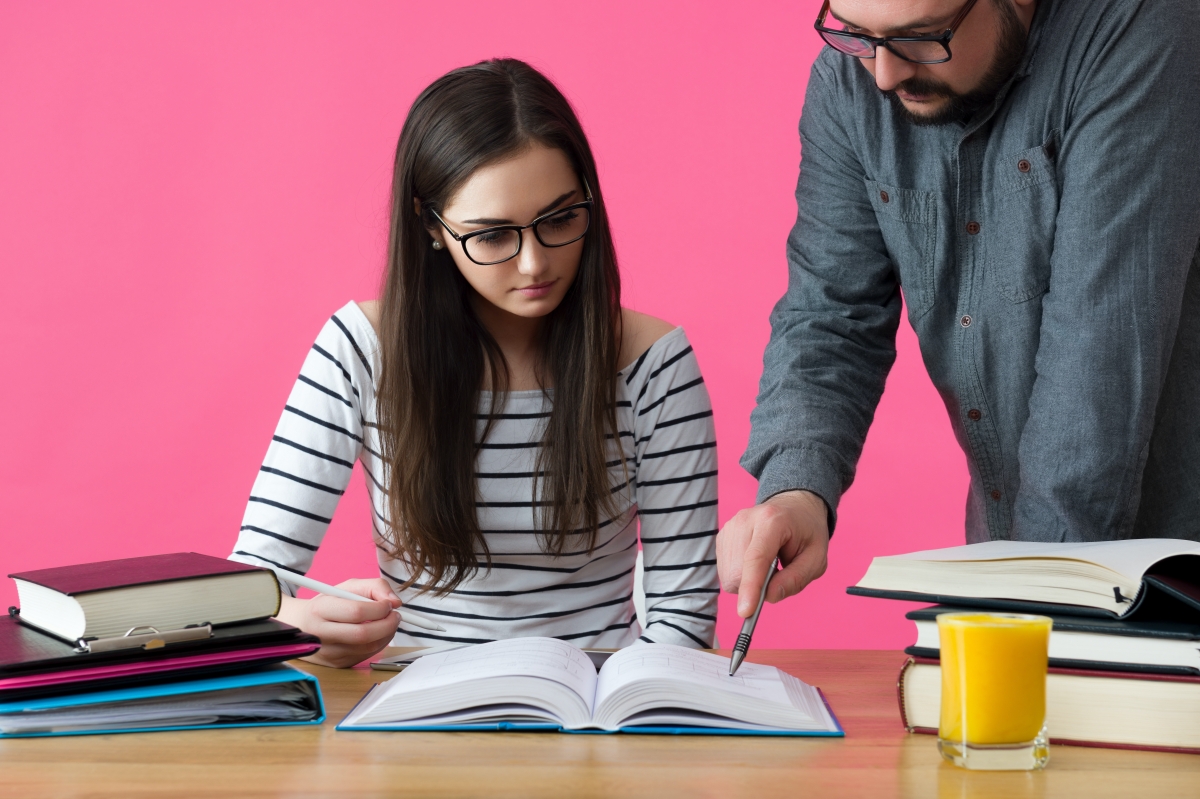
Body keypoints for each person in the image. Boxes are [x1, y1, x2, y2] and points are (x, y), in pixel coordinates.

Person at [718, 0, 1200, 620]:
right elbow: (830, 313)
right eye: (857, 34)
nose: (884, 75)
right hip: (1020, 579)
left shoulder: (1146, 30)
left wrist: (1020, 614)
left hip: (1174, 582)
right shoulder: (852, 78)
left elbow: (1100, 358)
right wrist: (798, 490)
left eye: (921, 39)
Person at [229, 59, 718, 667]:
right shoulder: (361, 348)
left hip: (597, 713)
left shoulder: (653, 364)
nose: (535, 264)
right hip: (415, 710)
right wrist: (303, 623)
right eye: (492, 236)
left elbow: (682, 622)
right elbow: (249, 587)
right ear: (430, 226)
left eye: (560, 219)